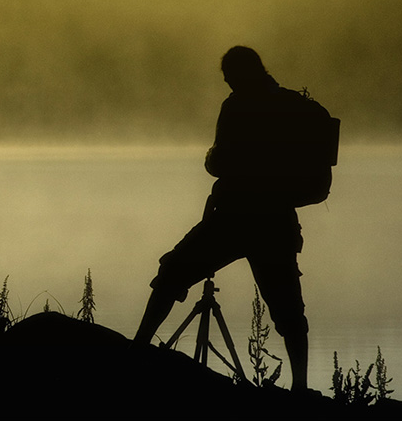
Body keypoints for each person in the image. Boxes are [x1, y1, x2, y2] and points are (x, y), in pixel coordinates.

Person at [133, 46, 311, 391]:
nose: (227, 81)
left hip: (234, 218)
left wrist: (213, 159)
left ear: (241, 73)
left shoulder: (237, 106)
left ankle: (137, 347)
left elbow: (219, 163)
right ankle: (300, 387)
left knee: (172, 272)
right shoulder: (291, 105)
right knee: (288, 309)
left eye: (229, 75)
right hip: (276, 222)